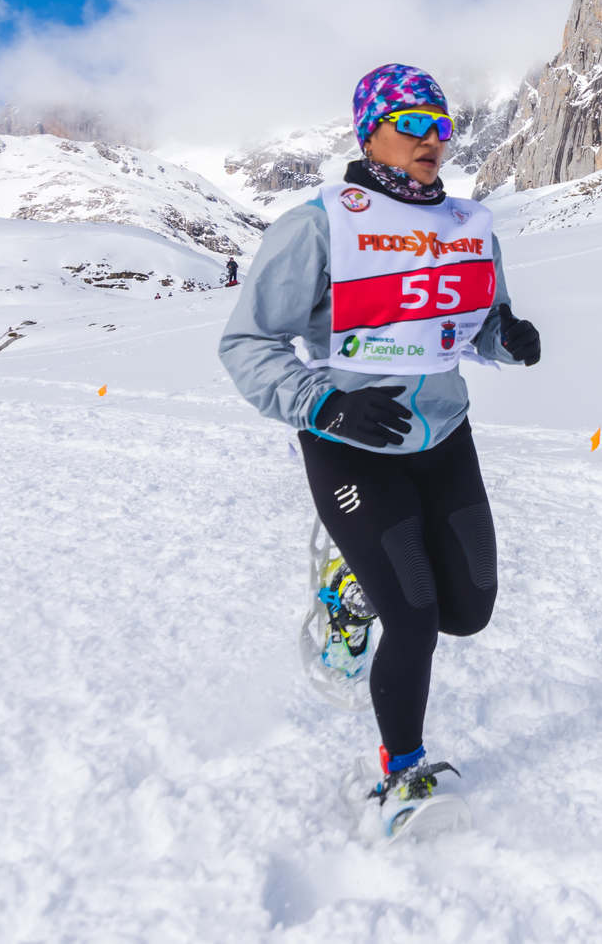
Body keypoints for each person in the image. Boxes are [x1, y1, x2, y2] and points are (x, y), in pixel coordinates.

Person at [219, 62, 543, 837]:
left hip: (443, 434)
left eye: (442, 127)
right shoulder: (317, 225)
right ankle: (402, 775)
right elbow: (247, 344)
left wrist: (509, 338)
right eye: (413, 126)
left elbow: (473, 323)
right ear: (371, 134)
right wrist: (325, 402)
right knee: (419, 618)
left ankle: (355, 578)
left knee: (469, 610)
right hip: (350, 444)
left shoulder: (469, 224)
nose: (434, 141)